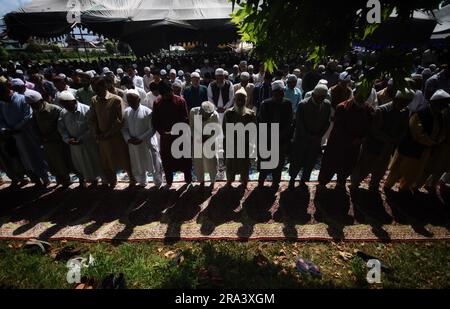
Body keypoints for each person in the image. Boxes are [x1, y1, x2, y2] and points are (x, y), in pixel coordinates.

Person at [384, 89, 447, 192]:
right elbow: (417, 133)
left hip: (424, 151)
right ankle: (388, 187)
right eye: (441, 104)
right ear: (434, 103)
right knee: (398, 170)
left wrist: (438, 140)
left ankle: (404, 189)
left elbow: (442, 131)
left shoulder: (439, 116)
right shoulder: (421, 113)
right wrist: (432, 142)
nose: (443, 107)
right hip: (410, 148)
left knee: (414, 172)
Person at [350, 89, 412, 192]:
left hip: (388, 147)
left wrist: (397, 139)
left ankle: (374, 185)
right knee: (364, 166)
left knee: (380, 169)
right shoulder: (382, 110)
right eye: (402, 102)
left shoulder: (405, 111)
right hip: (373, 145)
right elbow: (374, 130)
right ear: (396, 99)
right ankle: (355, 184)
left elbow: (404, 129)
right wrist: (389, 139)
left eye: (407, 102)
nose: (404, 104)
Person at [317, 84, 372, 192]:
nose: (362, 97)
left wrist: (361, 138)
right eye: (360, 94)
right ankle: (323, 183)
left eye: (365, 95)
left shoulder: (368, 109)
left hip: (354, 145)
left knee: (347, 165)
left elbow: (369, 127)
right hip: (338, 143)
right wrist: (352, 139)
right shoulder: (343, 107)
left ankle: (340, 182)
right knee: (330, 164)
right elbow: (339, 128)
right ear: (355, 94)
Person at [0, 82, 49, 187]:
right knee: (23, 160)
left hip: (28, 135)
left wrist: (16, 128)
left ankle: (45, 179)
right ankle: (35, 180)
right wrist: (5, 130)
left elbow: (29, 116)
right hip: (13, 137)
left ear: (7, 92)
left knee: (36, 156)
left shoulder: (22, 99)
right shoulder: (2, 103)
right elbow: (1, 120)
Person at [88, 77, 134, 188]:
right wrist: (96, 132)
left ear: (104, 86)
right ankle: (112, 181)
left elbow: (119, 120)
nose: (96, 92)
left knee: (123, 159)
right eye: (94, 89)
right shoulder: (94, 100)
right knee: (106, 161)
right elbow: (92, 118)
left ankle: (132, 180)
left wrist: (108, 133)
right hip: (102, 137)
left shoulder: (116, 99)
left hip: (115, 136)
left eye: (97, 89)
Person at [289, 84, 331, 190]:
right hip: (301, 138)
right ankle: (292, 179)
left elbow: (327, 122)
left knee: (310, 161)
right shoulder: (302, 104)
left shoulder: (326, 105)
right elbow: (299, 123)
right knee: (296, 161)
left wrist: (319, 135)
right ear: (313, 94)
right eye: (318, 97)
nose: (320, 99)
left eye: (322, 98)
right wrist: (308, 135)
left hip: (316, 139)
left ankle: (304, 180)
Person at [26, 90, 72, 187]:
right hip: (46, 142)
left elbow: (61, 125)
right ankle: (59, 180)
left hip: (57, 141)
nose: (33, 107)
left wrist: (50, 135)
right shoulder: (35, 112)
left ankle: (66, 181)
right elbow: (35, 126)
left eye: (35, 104)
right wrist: (40, 136)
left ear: (41, 101)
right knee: (52, 163)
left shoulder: (55, 109)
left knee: (61, 162)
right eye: (31, 105)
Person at [58, 90, 103, 187]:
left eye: (68, 105)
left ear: (74, 102)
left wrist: (81, 138)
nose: (67, 108)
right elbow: (62, 129)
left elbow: (92, 127)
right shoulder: (63, 113)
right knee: (79, 164)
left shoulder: (86, 109)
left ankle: (96, 180)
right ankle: (84, 180)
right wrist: (67, 139)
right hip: (74, 145)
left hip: (88, 142)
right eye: (64, 106)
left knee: (93, 162)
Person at [152, 81, 192, 187]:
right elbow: (155, 121)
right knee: (167, 160)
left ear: (171, 91)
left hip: (181, 136)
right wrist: (163, 132)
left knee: (185, 160)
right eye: (164, 95)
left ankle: (188, 181)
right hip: (166, 137)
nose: (167, 96)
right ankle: (169, 181)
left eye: (168, 93)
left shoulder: (180, 101)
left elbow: (185, 119)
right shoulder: (157, 102)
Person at [122, 89, 162, 187]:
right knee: (138, 164)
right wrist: (128, 139)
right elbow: (124, 128)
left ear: (139, 100)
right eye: (129, 101)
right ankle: (142, 182)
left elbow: (152, 129)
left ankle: (158, 182)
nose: (130, 103)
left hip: (147, 143)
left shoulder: (148, 111)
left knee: (154, 164)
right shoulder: (126, 112)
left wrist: (140, 138)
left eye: (132, 100)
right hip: (133, 144)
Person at [223, 88, 256, 189]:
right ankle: (229, 181)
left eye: (242, 99)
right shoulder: (228, 113)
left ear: (246, 100)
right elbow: (225, 129)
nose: (240, 101)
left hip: (245, 144)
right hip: (231, 144)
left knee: (244, 164)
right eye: (238, 99)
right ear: (235, 100)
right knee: (230, 164)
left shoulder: (250, 114)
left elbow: (253, 130)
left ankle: (244, 180)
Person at [423, 90, 450, 192]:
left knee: (442, 167)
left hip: (445, 144)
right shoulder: (445, 111)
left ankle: (432, 184)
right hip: (442, 142)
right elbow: (443, 126)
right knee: (431, 165)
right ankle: (423, 184)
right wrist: (441, 139)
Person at [189, 101, 220, 189]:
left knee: (212, 162)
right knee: (198, 162)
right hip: (197, 140)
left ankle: (212, 181)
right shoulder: (193, 112)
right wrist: (197, 137)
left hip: (210, 141)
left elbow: (217, 131)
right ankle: (201, 181)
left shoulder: (215, 115)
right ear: (200, 111)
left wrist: (207, 137)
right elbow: (191, 127)